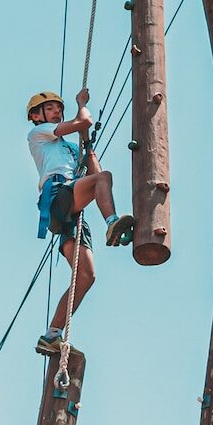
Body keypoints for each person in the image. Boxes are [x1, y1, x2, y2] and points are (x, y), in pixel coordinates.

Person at [26, 89, 133, 363]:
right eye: (50, 109)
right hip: (58, 194)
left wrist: (87, 144)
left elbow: (96, 174)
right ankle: (111, 223)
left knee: (86, 276)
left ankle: (51, 334)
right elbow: (82, 121)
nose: (56, 112)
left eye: (58, 109)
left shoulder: (70, 149)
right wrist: (81, 104)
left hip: (71, 209)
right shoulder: (39, 134)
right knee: (103, 179)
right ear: (36, 116)